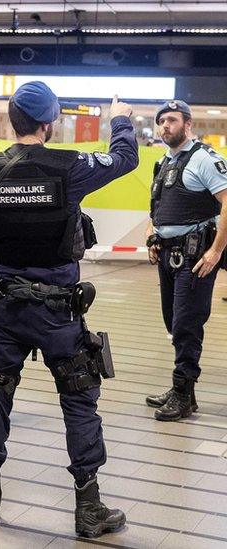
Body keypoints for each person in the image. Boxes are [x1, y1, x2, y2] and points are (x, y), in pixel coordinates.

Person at [0, 82, 137, 538]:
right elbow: (125, 159)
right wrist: (119, 120)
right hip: (60, 310)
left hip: (4, 308)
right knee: (78, 398)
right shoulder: (71, 167)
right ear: (49, 123)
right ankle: (88, 507)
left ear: (11, 122)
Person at [144, 100, 227, 421]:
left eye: (172, 120)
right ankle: (185, 391)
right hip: (168, 253)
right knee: (173, 322)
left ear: (188, 124)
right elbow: (156, 206)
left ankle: (182, 392)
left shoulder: (204, 159)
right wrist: (153, 237)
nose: (165, 126)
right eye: (161, 121)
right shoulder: (163, 162)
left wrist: (216, 250)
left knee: (187, 324)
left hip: (196, 256)